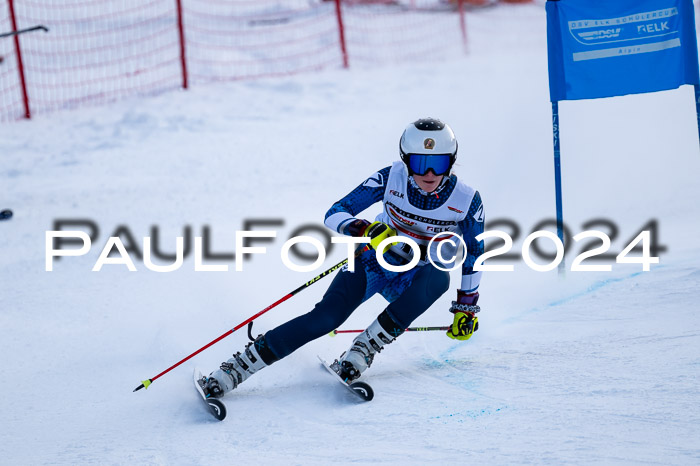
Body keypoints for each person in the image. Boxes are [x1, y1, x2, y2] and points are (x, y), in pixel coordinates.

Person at [202, 118, 485, 398]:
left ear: (452, 161)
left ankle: (364, 349)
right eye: (420, 164)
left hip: (414, 281)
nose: (430, 173)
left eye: (441, 163)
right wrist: (364, 228)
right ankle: (235, 369)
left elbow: (474, 253)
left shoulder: (466, 200)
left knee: (439, 276)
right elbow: (336, 212)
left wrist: (466, 308)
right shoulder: (390, 178)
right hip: (374, 263)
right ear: (406, 160)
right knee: (324, 319)